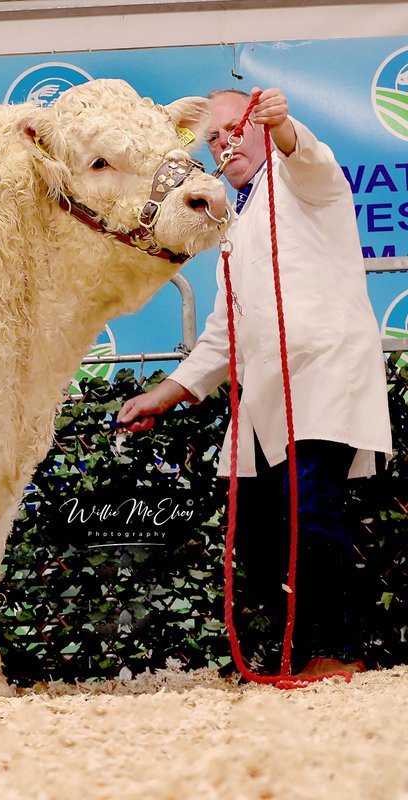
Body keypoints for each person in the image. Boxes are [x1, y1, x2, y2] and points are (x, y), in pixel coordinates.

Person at [117, 87, 393, 677]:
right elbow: (224, 333)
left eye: (236, 127)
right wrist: (163, 396)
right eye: (214, 137)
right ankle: (301, 647)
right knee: (261, 533)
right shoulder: (235, 221)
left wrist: (285, 126)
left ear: (263, 128)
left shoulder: (307, 182)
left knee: (310, 508)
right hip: (267, 395)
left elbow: (308, 156)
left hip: (323, 374)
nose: (225, 142)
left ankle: (339, 653)